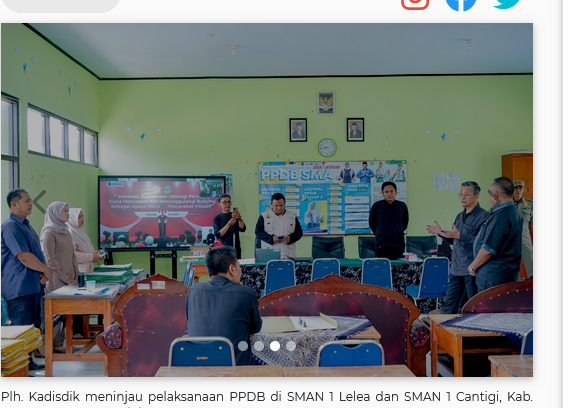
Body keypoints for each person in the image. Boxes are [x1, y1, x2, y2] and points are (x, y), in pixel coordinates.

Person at [1, 188, 52, 370]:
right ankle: (19, 368)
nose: (31, 204)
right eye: (26, 201)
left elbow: (36, 253)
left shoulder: (26, 225)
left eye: (30, 200)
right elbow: (23, 256)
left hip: (33, 285)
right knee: (21, 327)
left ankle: (27, 363)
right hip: (19, 287)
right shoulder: (10, 226)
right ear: (14, 204)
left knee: (31, 327)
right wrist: (47, 270)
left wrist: (43, 273)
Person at [185, 246, 262, 365]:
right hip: (235, 369)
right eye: (239, 266)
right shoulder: (246, 293)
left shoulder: (193, 291)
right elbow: (255, 328)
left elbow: (190, 320)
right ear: (232, 269)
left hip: (199, 366)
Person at [426, 181, 490, 313]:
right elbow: (455, 238)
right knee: (449, 307)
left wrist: (460, 235)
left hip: (471, 269)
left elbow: (484, 243)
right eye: (460, 194)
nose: (462, 197)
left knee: (473, 307)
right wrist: (440, 232)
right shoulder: (459, 216)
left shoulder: (484, 216)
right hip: (456, 268)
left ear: (476, 196)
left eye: (466, 194)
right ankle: (448, 327)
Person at [467, 177, 523, 291]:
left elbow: (488, 250)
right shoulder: (514, 212)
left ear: (496, 194)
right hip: (507, 274)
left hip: (493, 277)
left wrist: (473, 267)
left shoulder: (501, 216)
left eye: (490, 193)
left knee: (491, 303)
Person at [255, 193, 303, 259]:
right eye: (276, 206)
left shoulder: (292, 216)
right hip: (269, 254)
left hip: (288, 255)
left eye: (281, 205)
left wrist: (290, 238)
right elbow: (258, 232)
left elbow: (299, 233)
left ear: (285, 203)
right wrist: (271, 239)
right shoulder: (264, 216)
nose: (279, 208)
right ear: (271, 204)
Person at [369, 182, 409, 260]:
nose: (389, 194)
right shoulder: (376, 206)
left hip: (398, 243)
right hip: (381, 243)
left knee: (399, 265)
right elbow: (372, 223)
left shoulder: (402, 206)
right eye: (386, 192)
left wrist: (396, 231)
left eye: (391, 191)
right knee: (381, 265)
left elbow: (405, 223)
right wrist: (380, 233)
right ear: (383, 194)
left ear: (396, 192)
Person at [67, 208, 104, 274]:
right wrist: (92, 256)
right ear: (72, 219)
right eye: (79, 217)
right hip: (79, 272)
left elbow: (83, 250)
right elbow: (72, 255)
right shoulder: (70, 233)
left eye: (82, 216)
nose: (82, 219)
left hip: (88, 271)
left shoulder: (80, 231)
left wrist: (96, 254)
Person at [213, 194, 246, 259]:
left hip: (236, 251)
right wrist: (228, 225)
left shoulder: (234, 216)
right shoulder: (217, 218)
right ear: (219, 204)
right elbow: (218, 234)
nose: (227, 204)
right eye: (224, 202)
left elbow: (242, 229)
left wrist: (240, 218)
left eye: (229, 202)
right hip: (223, 252)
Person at [512, 180, 533, 277]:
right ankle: (516, 286)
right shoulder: (506, 204)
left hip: (524, 239)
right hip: (510, 240)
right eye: (516, 188)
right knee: (512, 268)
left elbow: (532, 224)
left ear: (523, 189)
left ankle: (533, 285)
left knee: (532, 265)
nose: (518, 190)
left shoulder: (530, 204)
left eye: (520, 188)